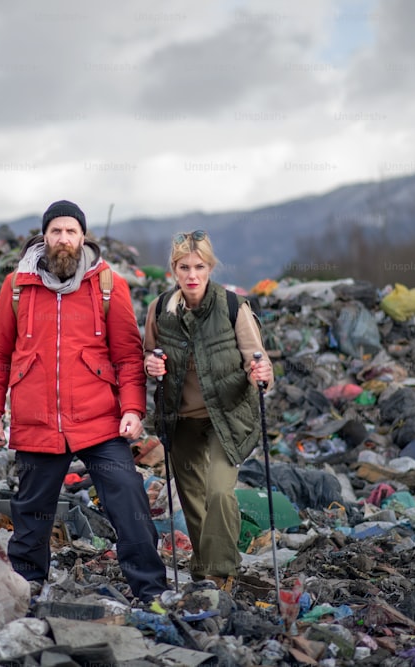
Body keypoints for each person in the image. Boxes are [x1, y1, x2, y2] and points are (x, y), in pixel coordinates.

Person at [0, 199, 167, 603]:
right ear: (44, 237)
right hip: (37, 421)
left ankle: (150, 590)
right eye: (56, 231)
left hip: (99, 419)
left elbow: (127, 356)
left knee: (127, 497)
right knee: (31, 512)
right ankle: (28, 585)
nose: (63, 239)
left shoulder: (107, 285)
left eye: (71, 232)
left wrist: (133, 409)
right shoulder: (16, 287)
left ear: (83, 237)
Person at [143, 230, 274, 591]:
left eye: (199, 266)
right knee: (192, 498)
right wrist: (150, 366)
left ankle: (221, 572)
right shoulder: (160, 309)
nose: (192, 275)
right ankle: (205, 571)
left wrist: (261, 375)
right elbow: (148, 356)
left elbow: (259, 363)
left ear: (210, 267)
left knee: (218, 491)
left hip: (226, 416)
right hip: (180, 418)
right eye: (184, 267)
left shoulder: (234, 307)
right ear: (174, 269)